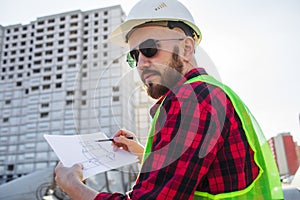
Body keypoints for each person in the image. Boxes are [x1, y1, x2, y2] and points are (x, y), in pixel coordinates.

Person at [55, 0, 284, 199]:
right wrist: (142, 154)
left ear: (186, 48)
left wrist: (72, 186)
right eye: (134, 56)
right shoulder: (208, 93)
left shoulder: (191, 100)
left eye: (149, 49)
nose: (142, 62)